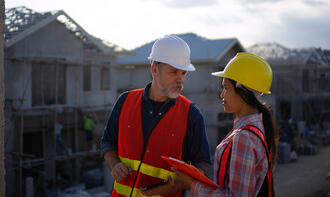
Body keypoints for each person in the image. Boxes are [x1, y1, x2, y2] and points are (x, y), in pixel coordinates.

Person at [101, 35, 211, 197]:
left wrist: (175, 186)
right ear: (154, 69)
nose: (180, 79)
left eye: (183, 73)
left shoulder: (191, 114)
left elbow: (202, 165)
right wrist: (114, 164)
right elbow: (107, 142)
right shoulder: (125, 101)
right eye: (173, 72)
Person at [174, 52, 279, 197]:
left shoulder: (244, 138)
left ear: (243, 93)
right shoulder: (256, 129)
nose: (222, 94)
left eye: (226, 87)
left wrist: (191, 184)